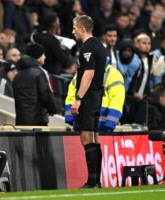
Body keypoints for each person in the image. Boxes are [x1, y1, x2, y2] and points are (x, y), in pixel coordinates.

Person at [71, 15, 107, 188]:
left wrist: (78, 99)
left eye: (74, 28)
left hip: (89, 96)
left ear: (82, 28)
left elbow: (89, 73)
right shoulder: (99, 45)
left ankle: (92, 181)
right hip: (97, 95)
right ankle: (96, 181)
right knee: (94, 137)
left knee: (86, 137)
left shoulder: (88, 47)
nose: (73, 31)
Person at [13, 43, 57, 125]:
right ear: (38, 55)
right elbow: (46, 94)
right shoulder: (39, 72)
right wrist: (52, 109)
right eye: (43, 54)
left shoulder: (17, 75)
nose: (45, 57)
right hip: (38, 120)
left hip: (21, 119)